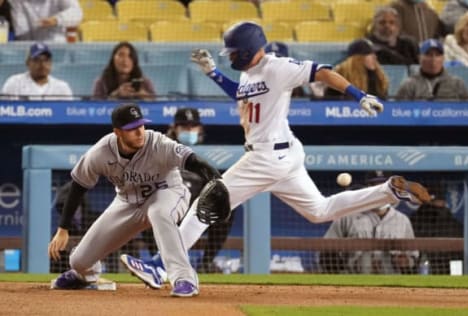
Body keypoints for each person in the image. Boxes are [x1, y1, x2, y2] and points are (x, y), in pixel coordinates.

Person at [120, 22, 431, 288]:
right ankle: (388, 191)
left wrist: (357, 94)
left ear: (246, 50)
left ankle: (161, 266)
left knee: (206, 202)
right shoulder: (248, 73)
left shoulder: (277, 67)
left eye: (232, 52)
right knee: (320, 211)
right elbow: (243, 94)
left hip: (266, 157)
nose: (229, 56)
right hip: (283, 156)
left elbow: (321, 72)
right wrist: (213, 73)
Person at [47, 103, 225, 297]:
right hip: (127, 202)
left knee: (160, 213)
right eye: (131, 128)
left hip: (168, 193)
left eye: (141, 125)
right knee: (78, 261)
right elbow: (78, 186)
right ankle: (86, 275)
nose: (139, 132)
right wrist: (62, 229)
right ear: (117, 132)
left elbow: (195, 162)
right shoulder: (101, 152)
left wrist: (219, 183)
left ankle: (184, 279)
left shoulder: (159, 143)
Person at [142, 107, 236, 273]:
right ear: (175, 128)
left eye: (193, 126)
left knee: (227, 207)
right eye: (184, 127)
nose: (189, 130)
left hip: (196, 210)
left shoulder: (210, 154)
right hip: (168, 206)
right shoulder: (163, 147)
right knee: (149, 208)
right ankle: (161, 262)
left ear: (200, 129)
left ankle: (205, 264)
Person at [321, 172, 419, 274]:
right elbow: (327, 252)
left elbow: (413, 257)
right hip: (353, 281)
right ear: (367, 189)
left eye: (384, 186)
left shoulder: (402, 220)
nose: (380, 192)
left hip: (391, 282)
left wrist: (406, 261)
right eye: (375, 187)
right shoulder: (347, 217)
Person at [396, 38, 468, 100]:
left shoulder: (457, 84)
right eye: (428, 54)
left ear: (443, 58)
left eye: (437, 55)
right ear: (419, 58)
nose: (433, 59)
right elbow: (397, 111)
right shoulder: (409, 85)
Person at [319, 38, 389, 100]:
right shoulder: (339, 77)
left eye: (374, 53)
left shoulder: (378, 79)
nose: (375, 57)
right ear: (357, 59)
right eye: (369, 54)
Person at [1, 42, 73, 100]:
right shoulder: (14, 83)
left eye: (46, 60)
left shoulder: (62, 87)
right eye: (37, 60)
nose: (42, 64)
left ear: (51, 63)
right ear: (28, 62)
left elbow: (70, 115)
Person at [9, 0, 83, 42]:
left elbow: (77, 13)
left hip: (57, 47)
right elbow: (21, 32)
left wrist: (56, 20)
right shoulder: (16, 2)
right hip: (29, 51)